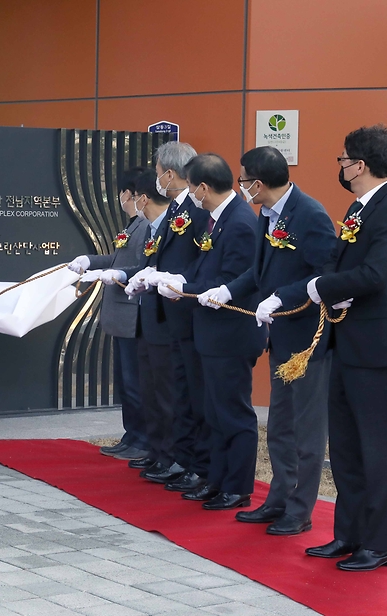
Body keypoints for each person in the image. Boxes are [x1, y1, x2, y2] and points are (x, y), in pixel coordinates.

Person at [202, 147, 336, 534]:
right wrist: (228, 290)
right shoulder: (266, 213)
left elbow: (324, 272)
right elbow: (257, 271)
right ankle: (278, 499)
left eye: (244, 180)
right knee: (279, 427)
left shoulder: (309, 214)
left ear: (257, 183)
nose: (242, 187)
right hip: (281, 338)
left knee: (307, 433)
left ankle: (300, 510)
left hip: (308, 340)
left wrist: (283, 297)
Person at [305, 125, 387, 571]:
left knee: (377, 451)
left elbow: (376, 274)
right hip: (346, 343)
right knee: (347, 450)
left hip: (377, 349)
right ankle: (348, 534)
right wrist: (322, 284)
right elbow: (340, 259)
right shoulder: (359, 206)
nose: (342, 165)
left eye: (344, 159)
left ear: (361, 164)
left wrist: (325, 286)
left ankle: (380, 543)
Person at [157, 153, 266, 510]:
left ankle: (236, 486)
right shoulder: (216, 219)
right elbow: (204, 266)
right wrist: (179, 280)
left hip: (231, 334)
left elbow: (232, 281)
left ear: (203, 187)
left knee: (232, 412)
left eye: (191, 187)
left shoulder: (239, 223)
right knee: (214, 411)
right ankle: (216, 478)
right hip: (210, 332)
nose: (189, 194)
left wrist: (184, 288)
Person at [124, 142, 211, 490]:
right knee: (159, 391)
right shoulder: (178, 208)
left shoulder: (196, 210)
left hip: (182, 313)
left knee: (179, 396)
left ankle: (182, 458)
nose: (156, 179)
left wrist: (168, 278)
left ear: (170, 174)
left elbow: (196, 260)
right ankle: (166, 453)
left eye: (158, 172)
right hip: (161, 312)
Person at [68, 166, 150, 461]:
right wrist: (89, 261)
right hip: (120, 318)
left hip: (132, 317)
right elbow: (116, 258)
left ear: (129, 194)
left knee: (135, 382)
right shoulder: (132, 226)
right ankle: (132, 435)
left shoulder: (146, 226)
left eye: (122, 193)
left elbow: (138, 267)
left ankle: (143, 439)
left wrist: (112, 271)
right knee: (126, 383)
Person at [116, 170, 177, 481]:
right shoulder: (153, 227)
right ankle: (157, 452)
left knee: (165, 396)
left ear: (140, 198)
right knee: (151, 392)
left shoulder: (168, 224)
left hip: (166, 323)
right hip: (147, 320)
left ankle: (171, 457)